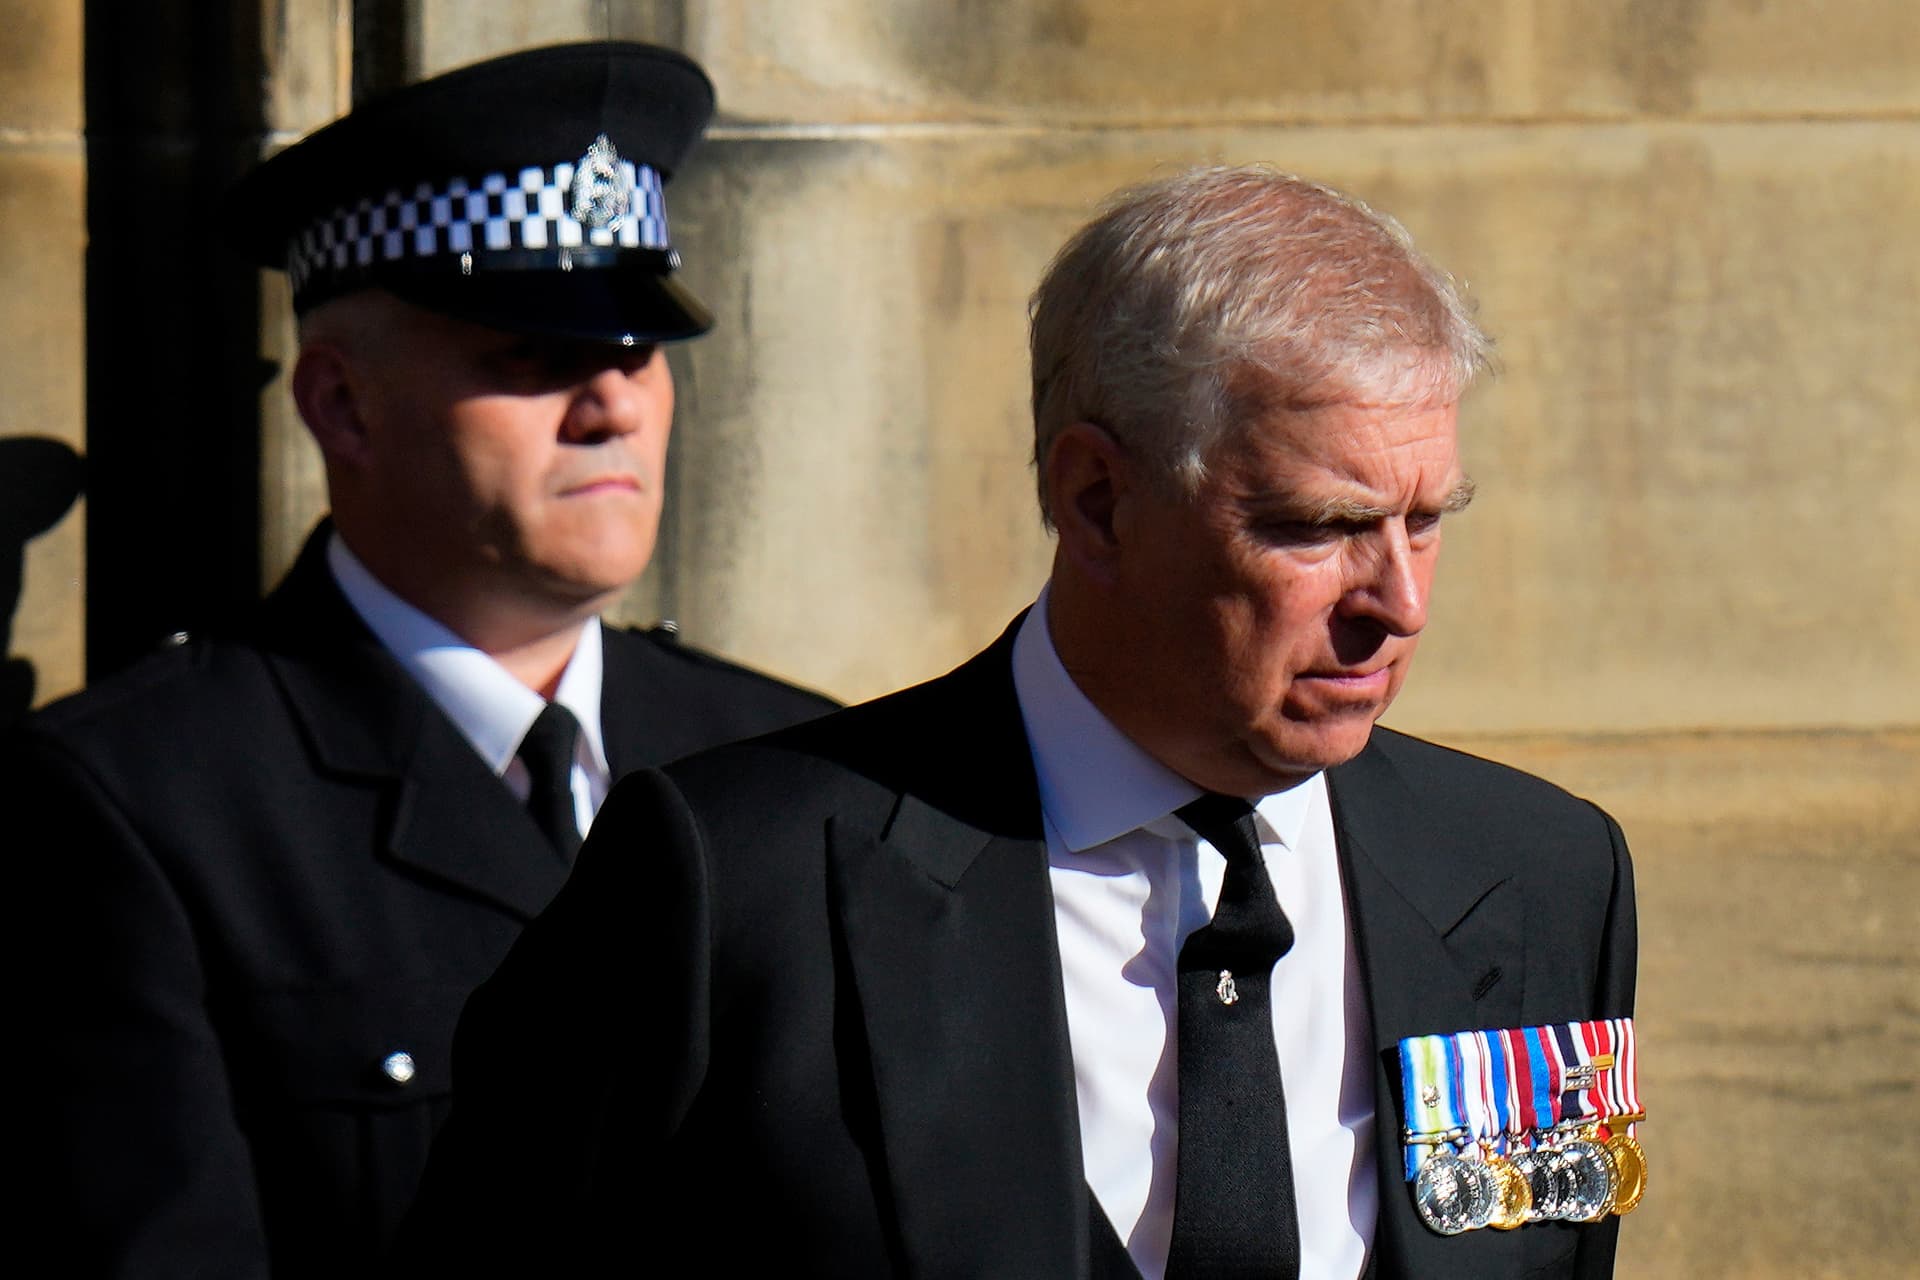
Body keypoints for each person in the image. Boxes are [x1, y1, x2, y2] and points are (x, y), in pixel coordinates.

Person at [394, 166, 1636, 1279]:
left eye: (1427, 520)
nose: (1398, 603)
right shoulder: (738, 885)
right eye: (1316, 526)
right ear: (1095, 498)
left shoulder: (1535, 875)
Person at [10, 42, 833, 1279]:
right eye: (531, 358)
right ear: (342, 406)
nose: (610, 404)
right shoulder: (139, 802)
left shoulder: (793, 761)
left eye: (636, 352)